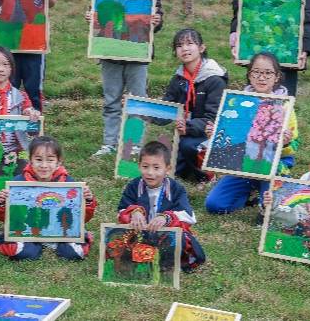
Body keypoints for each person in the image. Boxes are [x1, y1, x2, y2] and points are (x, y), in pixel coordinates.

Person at [86, 0, 163, 156]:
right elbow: (98, 15)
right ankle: (109, 143)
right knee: (111, 99)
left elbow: (158, 18)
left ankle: (135, 144)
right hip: (110, 55)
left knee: (137, 100)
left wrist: (156, 21)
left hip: (138, 54)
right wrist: (91, 17)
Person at [205, 52, 299, 215]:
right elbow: (231, 138)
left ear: (277, 77)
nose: (261, 77)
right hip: (243, 164)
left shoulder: (285, 106)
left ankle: (263, 192)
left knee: (271, 210)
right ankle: (248, 194)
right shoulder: (238, 103)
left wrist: (285, 143)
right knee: (214, 205)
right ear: (249, 75)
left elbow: (295, 145)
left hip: (272, 166)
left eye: (268, 73)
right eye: (256, 72)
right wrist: (215, 135)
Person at [0, 136, 97, 261]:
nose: (44, 165)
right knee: (24, 254)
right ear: (30, 161)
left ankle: (64, 241)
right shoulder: (18, 183)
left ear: (58, 162)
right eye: (39, 159)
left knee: (73, 254)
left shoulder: (69, 184)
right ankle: (4, 238)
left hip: (60, 230)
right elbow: (6, 218)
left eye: (50, 160)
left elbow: (82, 218)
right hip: (28, 230)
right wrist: (1, 203)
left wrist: (87, 201)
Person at [117, 141, 206, 272]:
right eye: (145, 166)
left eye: (156, 168)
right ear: (139, 166)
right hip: (140, 234)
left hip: (165, 237)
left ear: (167, 169)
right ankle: (142, 260)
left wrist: (167, 218)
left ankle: (165, 264)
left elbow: (189, 216)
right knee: (121, 242)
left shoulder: (176, 189)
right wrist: (133, 212)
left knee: (179, 238)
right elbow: (121, 211)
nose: (150, 173)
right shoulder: (133, 186)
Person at [162, 29, 227, 183]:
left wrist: (188, 127)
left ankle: (207, 176)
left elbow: (213, 118)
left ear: (201, 48)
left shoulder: (215, 80)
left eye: (190, 43)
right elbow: (167, 109)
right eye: (179, 45)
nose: (184, 48)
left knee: (188, 146)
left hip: (210, 133)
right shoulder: (178, 79)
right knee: (167, 163)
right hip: (185, 131)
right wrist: (140, 108)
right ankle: (189, 168)